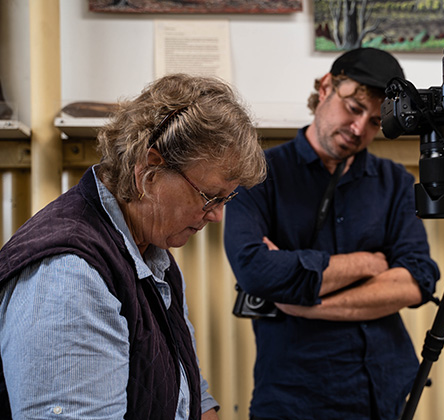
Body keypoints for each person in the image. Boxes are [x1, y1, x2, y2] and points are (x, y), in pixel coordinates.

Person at [0, 73, 266, 419]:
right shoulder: (71, 277)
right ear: (150, 171)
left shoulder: (153, 254)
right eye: (208, 196)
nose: (216, 215)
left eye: (225, 199)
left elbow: (190, 394)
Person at [223, 48, 440, 420]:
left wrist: (307, 301)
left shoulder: (395, 182)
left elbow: (418, 280)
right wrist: (367, 263)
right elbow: (255, 270)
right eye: (354, 109)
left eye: (374, 122)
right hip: (294, 396)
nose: (359, 129)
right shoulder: (258, 174)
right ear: (326, 87)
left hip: (383, 392)